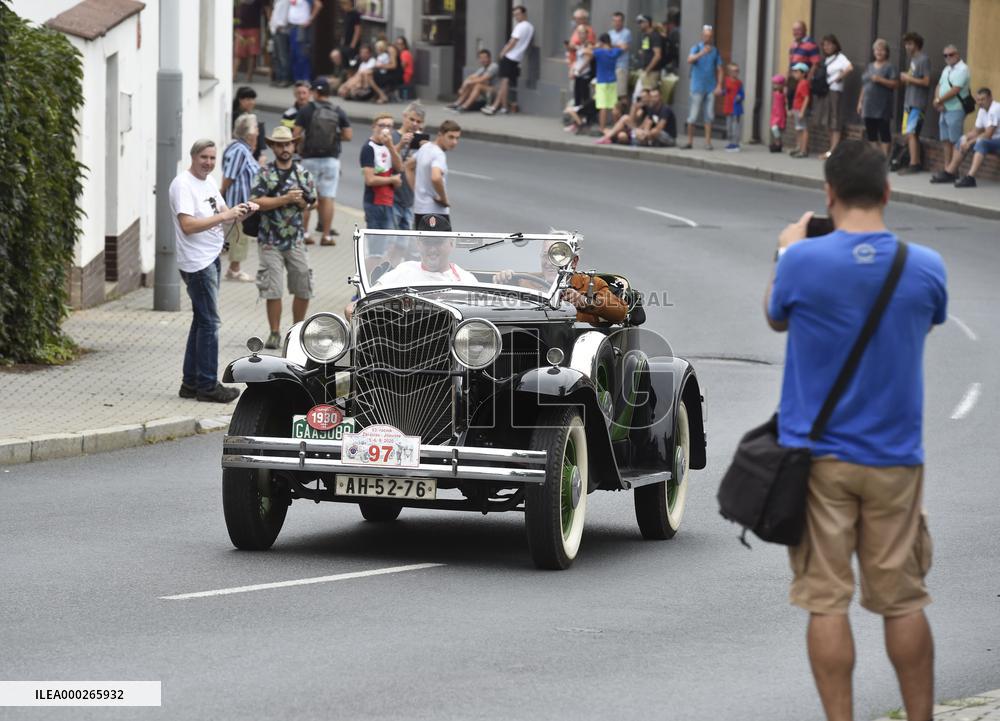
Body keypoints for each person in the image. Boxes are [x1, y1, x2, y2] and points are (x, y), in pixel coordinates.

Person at [766, 138, 946, 721]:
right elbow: (931, 317)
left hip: (817, 460)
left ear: (829, 193)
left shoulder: (800, 261)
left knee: (826, 601)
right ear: (889, 192)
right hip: (896, 456)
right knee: (903, 601)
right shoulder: (924, 267)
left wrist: (787, 249)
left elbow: (775, 316)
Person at [169, 139, 250, 403]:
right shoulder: (183, 184)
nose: (209, 163)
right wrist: (225, 217)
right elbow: (188, 225)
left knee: (201, 321)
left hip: (211, 257)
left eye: (213, 158)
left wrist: (243, 210)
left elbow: (226, 212)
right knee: (210, 323)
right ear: (193, 157)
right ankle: (207, 385)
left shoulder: (209, 182)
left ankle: (190, 384)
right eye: (204, 157)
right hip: (197, 262)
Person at [249, 126, 317, 350]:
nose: (285, 148)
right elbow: (256, 202)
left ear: (294, 145)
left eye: (288, 144)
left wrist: (301, 203)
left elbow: (313, 202)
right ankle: (275, 332)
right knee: (273, 288)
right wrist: (285, 199)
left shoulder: (303, 174)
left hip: (296, 240)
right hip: (270, 241)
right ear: (273, 147)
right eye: (280, 145)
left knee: (303, 285)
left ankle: (297, 332)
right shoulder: (264, 173)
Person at [294, 79, 352, 246]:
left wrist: (303, 143)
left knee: (307, 197)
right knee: (328, 198)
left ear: (315, 93)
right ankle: (326, 236)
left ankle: (305, 234)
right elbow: (348, 135)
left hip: (309, 159)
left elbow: (295, 134)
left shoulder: (306, 110)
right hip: (331, 160)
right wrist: (334, 137)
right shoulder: (338, 110)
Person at [931, 87, 999, 188]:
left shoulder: (995, 109)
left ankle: (970, 177)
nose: (980, 102)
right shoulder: (982, 110)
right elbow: (976, 131)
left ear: (990, 98)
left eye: (983, 99)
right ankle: (950, 173)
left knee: (981, 143)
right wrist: (965, 138)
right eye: (978, 100)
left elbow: (988, 134)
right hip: (992, 140)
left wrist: (970, 142)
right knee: (961, 139)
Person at [221, 114, 261, 282]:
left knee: (238, 236)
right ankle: (234, 270)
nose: (258, 132)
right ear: (249, 133)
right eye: (256, 128)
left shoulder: (242, 149)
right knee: (239, 236)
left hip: (242, 201)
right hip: (237, 202)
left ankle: (234, 268)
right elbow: (229, 176)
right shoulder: (240, 150)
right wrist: (222, 193)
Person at [481, 6, 534, 115]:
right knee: (505, 82)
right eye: (515, 15)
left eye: (518, 14)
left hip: (510, 56)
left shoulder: (520, 26)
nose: (516, 17)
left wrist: (503, 52)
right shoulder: (530, 27)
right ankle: (503, 107)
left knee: (504, 82)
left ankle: (496, 106)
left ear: (524, 14)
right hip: (517, 58)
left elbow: (513, 41)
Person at [409, 120, 461, 228]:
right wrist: (443, 199)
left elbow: (408, 166)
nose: (454, 142)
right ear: (440, 135)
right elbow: (436, 177)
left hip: (419, 210)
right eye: (450, 137)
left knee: (422, 245)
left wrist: (416, 190)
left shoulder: (425, 147)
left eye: (457, 138)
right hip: (436, 213)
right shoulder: (439, 154)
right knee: (445, 245)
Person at [373, 235, 478, 288]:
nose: (432, 249)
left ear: (451, 243)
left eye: (438, 242)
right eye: (428, 242)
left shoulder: (466, 280)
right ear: (418, 244)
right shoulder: (404, 270)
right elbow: (372, 295)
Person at [682, 24, 723, 150]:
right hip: (697, 87)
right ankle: (689, 142)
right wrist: (701, 53)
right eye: (705, 36)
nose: (707, 38)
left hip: (710, 87)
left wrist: (719, 85)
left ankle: (708, 142)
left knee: (709, 116)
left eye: (709, 36)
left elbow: (720, 69)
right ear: (702, 36)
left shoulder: (715, 51)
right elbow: (689, 60)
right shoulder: (696, 48)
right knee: (693, 115)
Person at [360, 114, 404, 231]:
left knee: (385, 243)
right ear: (374, 127)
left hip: (388, 201)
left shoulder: (388, 146)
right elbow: (370, 180)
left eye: (389, 126)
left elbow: (399, 167)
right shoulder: (368, 148)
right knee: (376, 244)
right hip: (374, 202)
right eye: (382, 125)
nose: (385, 129)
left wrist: (390, 147)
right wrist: (392, 180)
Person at [857, 38, 899, 157]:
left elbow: (895, 84)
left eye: (882, 50)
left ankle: (884, 157)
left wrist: (880, 80)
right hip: (868, 104)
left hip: (882, 105)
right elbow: (864, 85)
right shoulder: (870, 66)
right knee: (871, 133)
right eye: (876, 50)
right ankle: (876, 155)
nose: (879, 52)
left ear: (886, 52)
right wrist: (860, 102)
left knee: (884, 131)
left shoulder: (890, 67)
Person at [933, 44, 972, 172]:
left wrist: (939, 100)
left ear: (957, 54)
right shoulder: (946, 69)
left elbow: (955, 90)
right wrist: (937, 101)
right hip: (944, 109)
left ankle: (953, 169)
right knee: (945, 140)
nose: (948, 57)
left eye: (951, 54)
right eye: (945, 55)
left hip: (956, 108)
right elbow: (939, 85)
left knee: (956, 140)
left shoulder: (963, 69)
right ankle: (947, 168)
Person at [897, 31, 931, 174]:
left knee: (912, 133)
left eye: (910, 43)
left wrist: (908, 78)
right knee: (910, 133)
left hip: (917, 103)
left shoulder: (923, 59)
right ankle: (913, 161)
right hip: (909, 101)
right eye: (906, 44)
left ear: (916, 44)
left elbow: (926, 81)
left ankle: (914, 163)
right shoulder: (913, 60)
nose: (907, 47)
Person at [816, 34, 854, 160]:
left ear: (835, 45)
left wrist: (838, 78)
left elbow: (849, 68)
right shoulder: (826, 59)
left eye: (829, 44)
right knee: (827, 119)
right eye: (824, 45)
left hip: (835, 91)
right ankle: (830, 149)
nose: (826, 47)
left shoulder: (840, 57)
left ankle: (834, 150)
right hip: (825, 91)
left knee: (835, 118)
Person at [391, 102, 427, 230]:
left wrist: (426, 150)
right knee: (390, 242)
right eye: (412, 119)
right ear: (404, 116)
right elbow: (385, 163)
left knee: (404, 245)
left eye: (419, 121)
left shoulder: (419, 142)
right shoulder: (392, 136)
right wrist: (401, 144)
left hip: (409, 200)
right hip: (392, 199)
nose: (415, 124)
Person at [592, 33, 624, 132]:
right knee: (613, 105)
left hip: (602, 81)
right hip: (612, 81)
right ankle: (616, 126)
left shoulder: (599, 52)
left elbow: (587, 51)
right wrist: (612, 45)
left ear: (601, 42)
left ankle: (602, 128)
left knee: (603, 106)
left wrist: (596, 46)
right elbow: (623, 47)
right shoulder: (615, 52)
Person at [787, 20, 820, 110]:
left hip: (803, 79)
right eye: (794, 30)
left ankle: (801, 122)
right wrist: (788, 76)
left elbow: (816, 63)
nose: (796, 32)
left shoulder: (811, 44)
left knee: (802, 104)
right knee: (791, 101)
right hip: (793, 79)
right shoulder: (794, 44)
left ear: (805, 30)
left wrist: (808, 80)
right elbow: (791, 62)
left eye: (799, 30)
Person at [288, 0, 322, 82]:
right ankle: (297, 78)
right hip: (292, 26)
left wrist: (310, 19)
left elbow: (318, 5)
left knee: (302, 53)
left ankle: (305, 77)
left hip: (301, 27)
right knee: (294, 53)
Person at [233, 0, 265, 83]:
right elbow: (235, 9)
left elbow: (265, 7)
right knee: (238, 53)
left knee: (252, 53)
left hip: (253, 27)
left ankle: (249, 76)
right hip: (240, 28)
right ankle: (233, 75)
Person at [232, 87, 266, 160]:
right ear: (240, 100)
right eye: (248, 99)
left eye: (253, 99)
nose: (252, 102)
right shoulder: (238, 117)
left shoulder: (247, 115)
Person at [634, 15, 664, 96]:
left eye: (641, 22)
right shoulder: (645, 36)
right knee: (637, 96)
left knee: (648, 97)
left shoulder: (655, 36)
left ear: (647, 23)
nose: (639, 24)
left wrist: (648, 70)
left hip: (651, 72)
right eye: (639, 23)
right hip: (643, 71)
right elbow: (644, 50)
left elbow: (657, 55)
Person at [569, 27, 594, 109]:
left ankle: (586, 117)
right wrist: (573, 70)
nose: (580, 35)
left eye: (582, 33)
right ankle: (577, 116)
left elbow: (588, 60)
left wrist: (579, 71)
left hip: (584, 74)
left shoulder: (588, 45)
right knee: (577, 96)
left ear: (587, 34)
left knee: (584, 96)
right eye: (579, 33)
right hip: (578, 74)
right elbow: (577, 60)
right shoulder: (579, 46)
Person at [607, 12, 632, 98]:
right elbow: (606, 48)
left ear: (622, 22)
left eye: (619, 21)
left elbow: (623, 48)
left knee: (621, 94)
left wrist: (612, 45)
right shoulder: (610, 33)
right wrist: (617, 45)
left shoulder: (626, 33)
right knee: (611, 93)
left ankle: (623, 111)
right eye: (614, 21)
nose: (616, 23)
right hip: (611, 66)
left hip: (621, 66)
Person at [789, 63, 811, 158]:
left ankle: (803, 150)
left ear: (803, 73)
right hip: (797, 109)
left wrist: (802, 111)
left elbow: (806, 98)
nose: (794, 74)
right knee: (798, 129)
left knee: (804, 129)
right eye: (794, 71)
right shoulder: (800, 83)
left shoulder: (804, 83)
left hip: (800, 109)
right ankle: (799, 147)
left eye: (797, 72)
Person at [371, 38, 402, 104]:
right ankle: (380, 94)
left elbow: (393, 65)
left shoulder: (391, 49)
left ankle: (382, 95)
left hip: (393, 74)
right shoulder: (383, 52)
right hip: (386, 72)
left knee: (368, 74)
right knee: (366, 73)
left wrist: (380, 66)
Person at [269, 0, 292, 87]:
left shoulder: (286, 1)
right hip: (275, 30)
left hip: (281, 30)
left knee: (283, 56)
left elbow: (287, 13)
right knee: (276, 56)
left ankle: (285, 79)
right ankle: (278, 78)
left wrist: (282, 25)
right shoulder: (277, 1)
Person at [723, 62, 745, 152]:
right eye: (734, 71)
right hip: (728, 107)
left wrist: (740, 96)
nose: (736, 73)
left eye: (737, 71)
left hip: (736, 108)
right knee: (728, 126)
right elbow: (724, 91)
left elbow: (742, 93)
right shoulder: (726, 80)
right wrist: (721, 91)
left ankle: (736, 144)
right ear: (729, 72)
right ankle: (730, 142)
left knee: (735, 125)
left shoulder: (739, 83)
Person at [770, 74, 787, 153]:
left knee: (775, 128)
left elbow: (785, 103)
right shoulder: (775, 93)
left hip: (780, 114)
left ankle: (778, 143)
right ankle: (777, 143)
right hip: (775, 113)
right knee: (774, 129)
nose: (775, 86)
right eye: (774, 84)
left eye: (777, 84)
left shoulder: (782, 94)